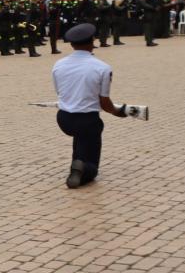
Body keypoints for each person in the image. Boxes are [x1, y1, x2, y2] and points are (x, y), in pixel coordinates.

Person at [52, 23, 130, 189]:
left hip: (64, 118)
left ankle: (77, 163)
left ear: (72, 44)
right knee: (92, 162)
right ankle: (85, 168)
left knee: (80, 138)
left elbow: (60, 92)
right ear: (92, 41)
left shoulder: (58, 64)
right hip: (87, 120)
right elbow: (104, 102)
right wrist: (119, 112)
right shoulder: (102, 68)